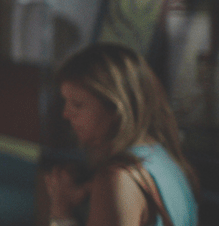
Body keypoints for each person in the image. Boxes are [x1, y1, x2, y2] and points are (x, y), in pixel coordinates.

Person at [46, 43, 198, 226]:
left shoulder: (117, 178)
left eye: (77, 104)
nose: (66, 114)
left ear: (117, 108)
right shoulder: (163, 160)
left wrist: (61, 210)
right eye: (66, 102)